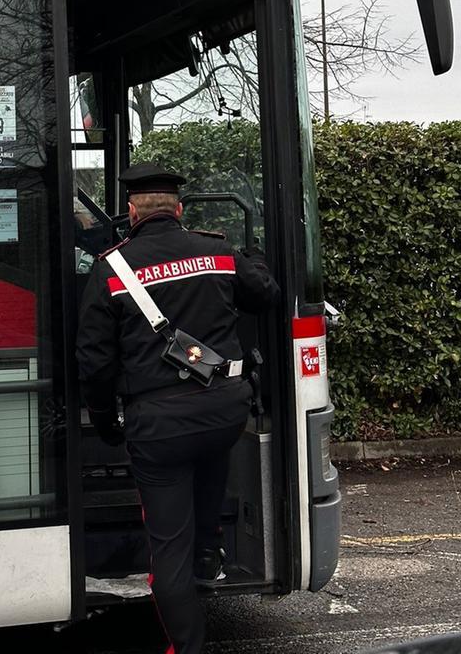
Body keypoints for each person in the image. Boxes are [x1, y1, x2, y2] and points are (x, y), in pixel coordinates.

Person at [76, 162, 280, 654]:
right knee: (209, 483)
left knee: (168, 547)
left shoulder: (112, 269)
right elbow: (267, 295)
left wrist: (105, 423)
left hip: (160, 428)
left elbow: (94, 361)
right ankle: (209, 555)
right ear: (179, 209)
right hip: (225, 413)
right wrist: (250, 255)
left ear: (131, 212)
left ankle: (187, 646)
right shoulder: (217, 251)